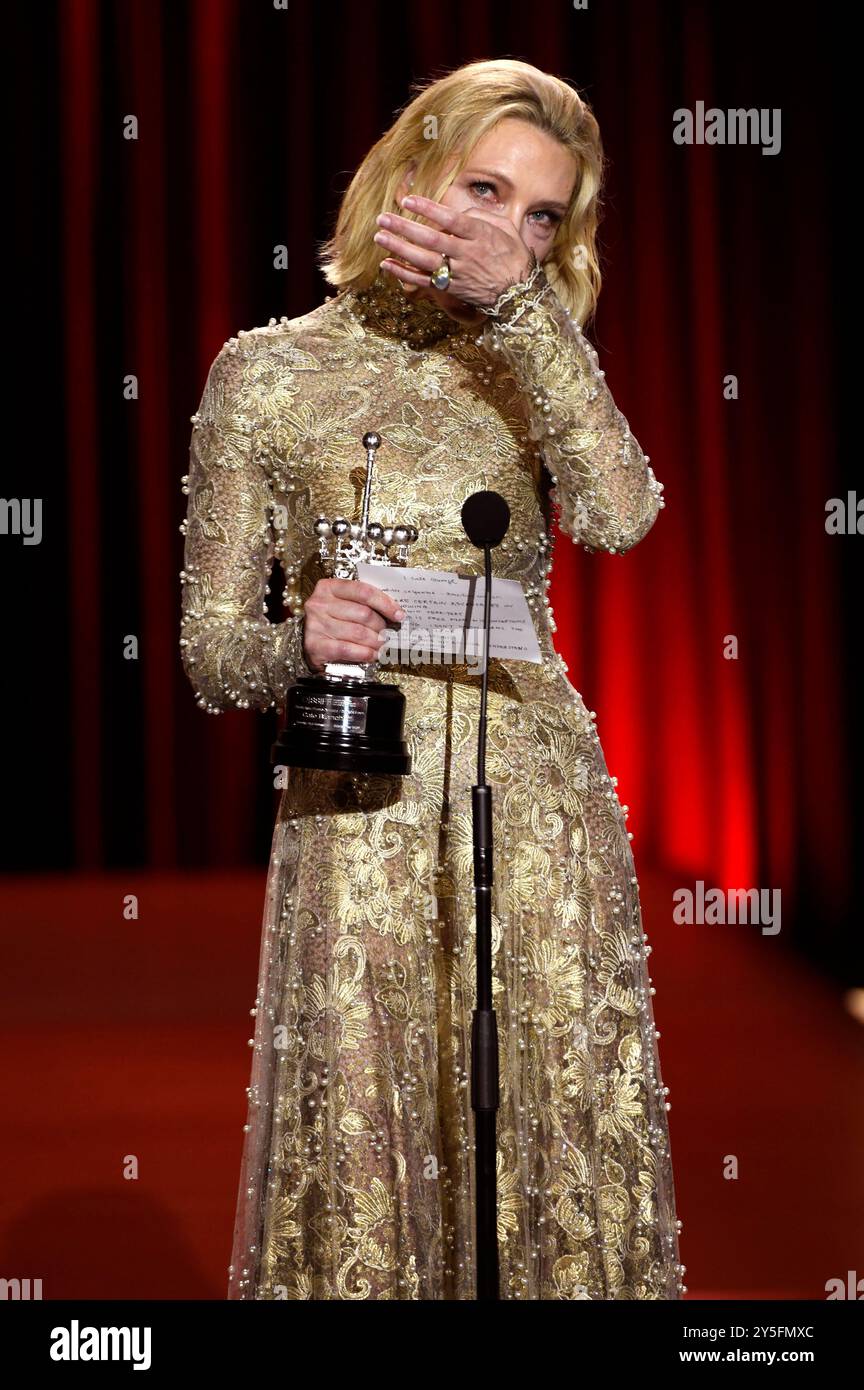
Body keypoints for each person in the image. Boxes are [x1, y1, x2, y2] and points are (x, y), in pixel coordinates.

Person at [180, 57, 684, 1300]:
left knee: (542, 1135)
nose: (512, 232)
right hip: (360, 805)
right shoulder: (266, 371)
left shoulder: (530, 353)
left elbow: (623, 515)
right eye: (486, 189)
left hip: (530, 797)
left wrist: (527, 316)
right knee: (370, 1147)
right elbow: (207, 650)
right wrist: (300, 638)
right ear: (411, 179)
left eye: (542, 216)